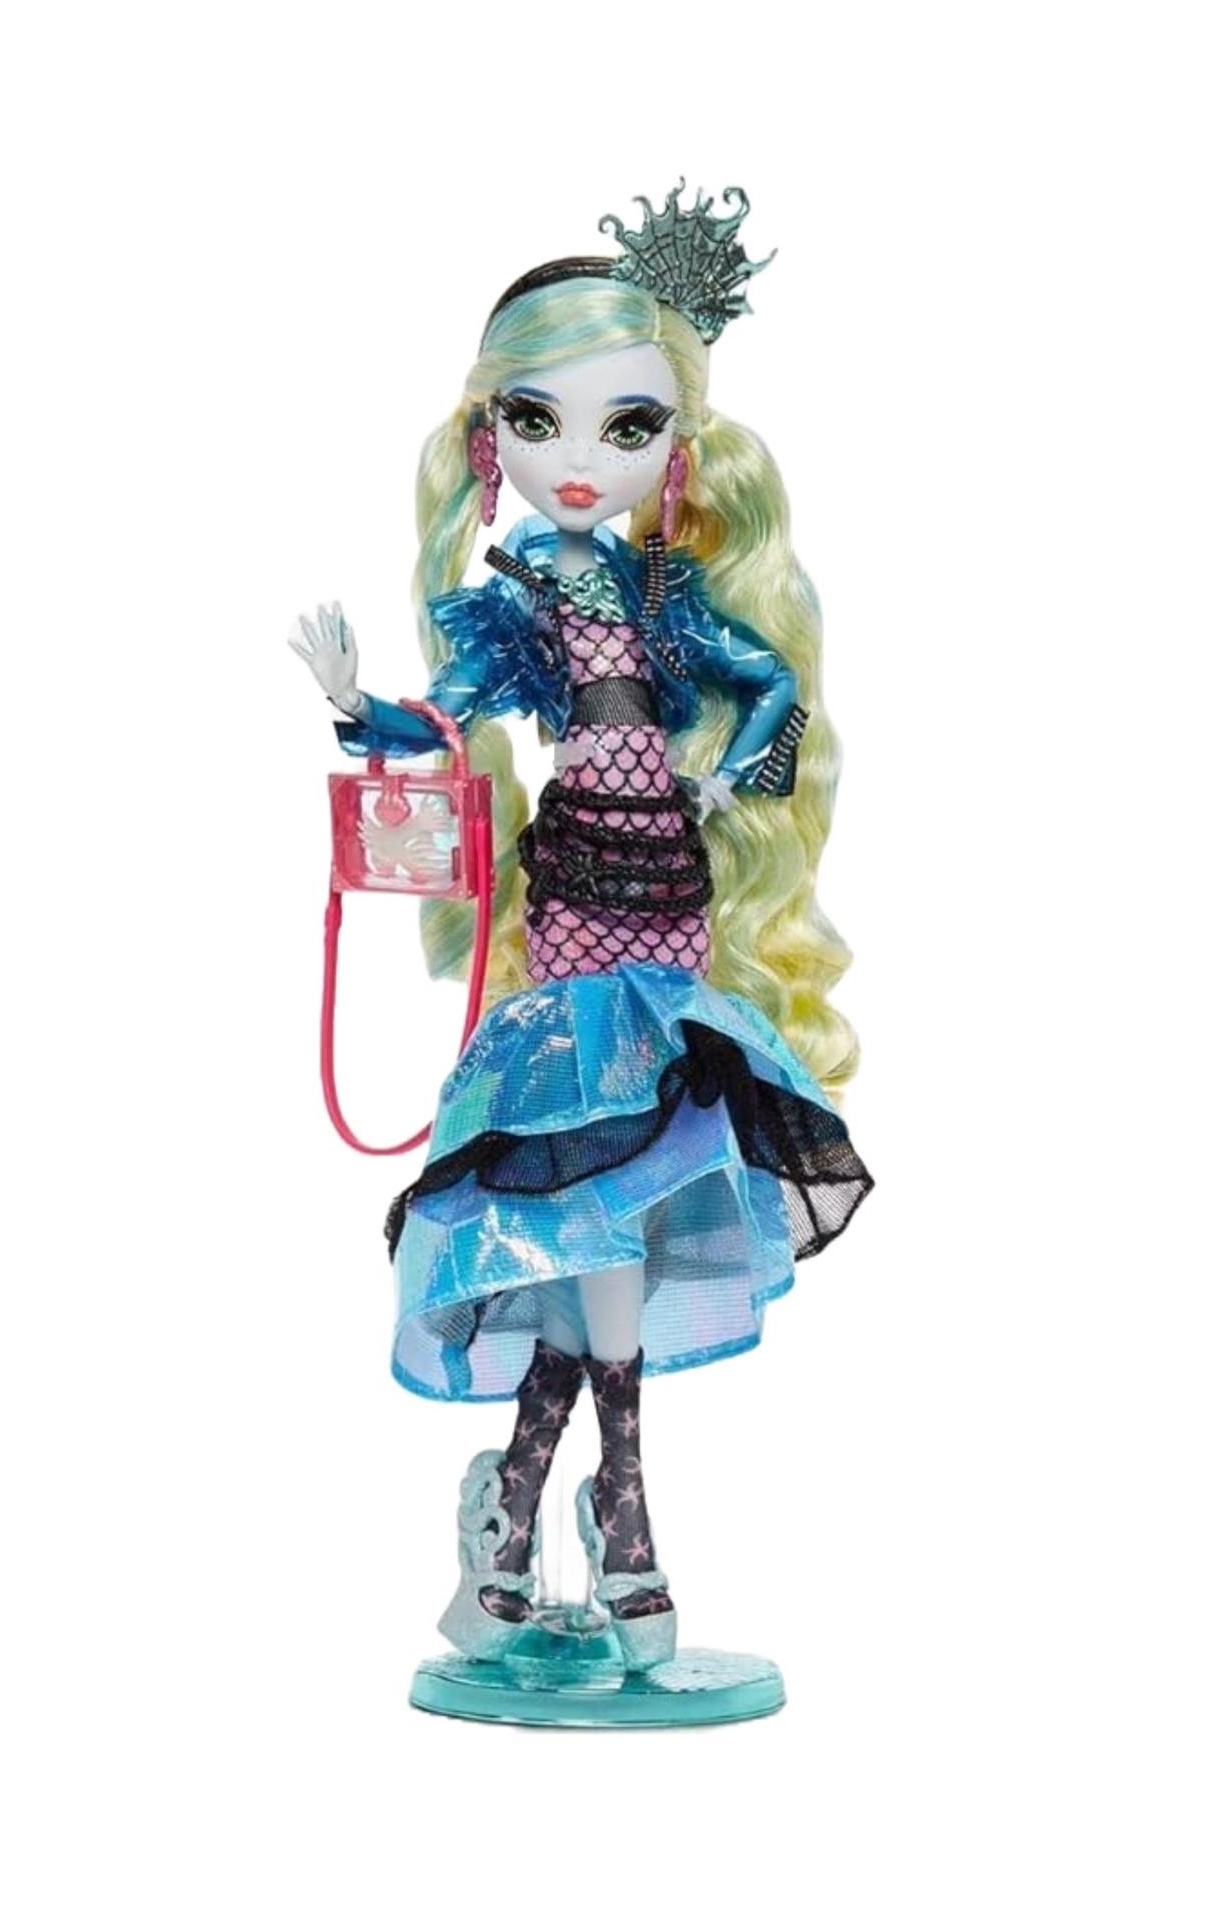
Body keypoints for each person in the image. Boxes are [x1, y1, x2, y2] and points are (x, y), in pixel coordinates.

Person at [290, 185, 873, 1671]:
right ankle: (622, 1533)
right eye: (538, 421)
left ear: (677, 449)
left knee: (604, 1243)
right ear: (492, 439)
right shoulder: (524, 601)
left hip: (668, 918)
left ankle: (516, 1538)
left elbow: (773, 685)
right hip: (579, 926)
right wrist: (361, 710)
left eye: (628, 427)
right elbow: (449, 717)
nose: (579, 461)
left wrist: (732, 770)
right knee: (597, 1230)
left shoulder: (669, 600)